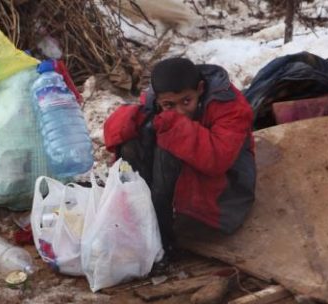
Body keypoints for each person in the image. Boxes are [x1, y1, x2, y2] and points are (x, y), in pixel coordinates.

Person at [103, 57, 256, 258]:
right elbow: (120, 133)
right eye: (168, 105)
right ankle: (142, 223)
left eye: (186, 101)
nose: (180, 112)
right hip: (186, 179)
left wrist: (173, 125)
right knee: (132, 142)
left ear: (200, 89)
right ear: (158, 100)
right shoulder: (156, 103)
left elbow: (218, 159)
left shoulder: (229, 106)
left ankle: (165, 239)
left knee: (170, 147)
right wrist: (136, 122)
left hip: (226, 191)